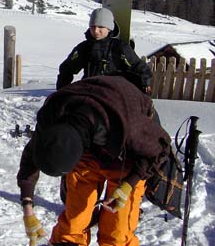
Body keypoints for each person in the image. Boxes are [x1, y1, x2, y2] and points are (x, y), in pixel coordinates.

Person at [17, 76, 171, 246]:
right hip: (85, 136)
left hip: (126, 149)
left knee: (117, 232)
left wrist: (129, 184)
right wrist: (28, 209)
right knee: (74, 222)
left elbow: (159, 150)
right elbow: (31, 156)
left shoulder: (130, 127)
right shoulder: (51, 117)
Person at [56, 7, 152, 93]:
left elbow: (139, 66)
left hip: (115, 91)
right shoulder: (84, 47)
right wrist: (62, 90)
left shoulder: (120, 48)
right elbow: (67, 68)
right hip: (89, 90)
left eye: (101, 27)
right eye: (93, 27)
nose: (96, 31)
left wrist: (145, 83)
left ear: (109, 28)